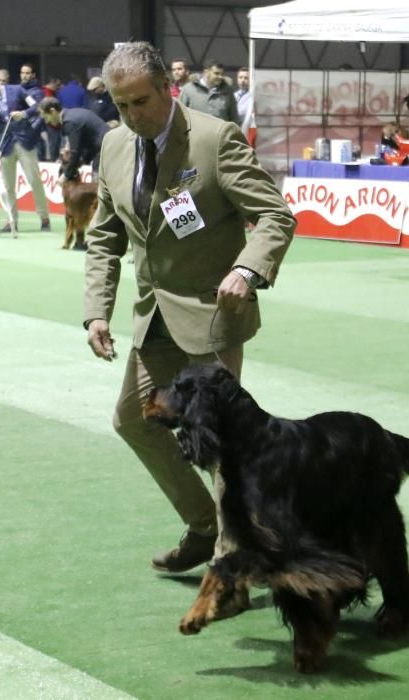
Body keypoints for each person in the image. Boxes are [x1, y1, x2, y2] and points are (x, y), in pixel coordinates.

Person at [83, 42, 295, 576]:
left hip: (213, 315)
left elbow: (274, 217)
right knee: (134, 420)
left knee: (219, 443)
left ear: (166, 89)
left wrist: (247, 270)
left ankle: (233, 561)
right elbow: (104, 237)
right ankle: (207, 528)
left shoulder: (214, 138)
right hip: (152, 315)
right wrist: (96, 311)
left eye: (141, 102)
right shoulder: (112, 146)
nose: (132, 115)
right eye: (121, 104)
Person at [0, 73, 51, 232]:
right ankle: (12, 220)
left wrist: (23, 114)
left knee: (34, 180)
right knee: (7, 186)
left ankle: (44, 218)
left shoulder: (17, 90)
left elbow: (37, 106)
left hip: (25, 140)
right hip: (4, 146)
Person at [38, 96, 107, 182]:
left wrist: (66, 175)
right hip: (104, 147)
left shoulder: (69, 122)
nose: (46, 121)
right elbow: (87, 143)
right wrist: (81, 161)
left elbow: (75, 152)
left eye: (46, 117)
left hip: (105, 148)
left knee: (98, 184)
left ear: (53, 111)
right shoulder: (72, 114)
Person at [177, 59, 240, 125]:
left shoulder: (228, 91)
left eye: (222, 74)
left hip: (220, 134)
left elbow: (234, 118)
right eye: (216, 73)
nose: (220, 77)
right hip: (196, 134)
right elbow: (179, 115)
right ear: (206, 72)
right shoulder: (188, 89)